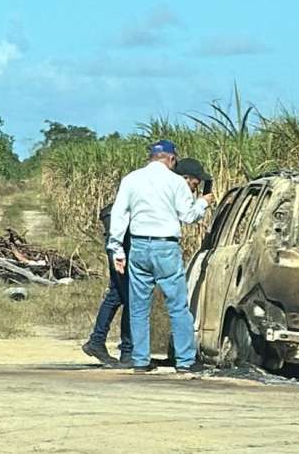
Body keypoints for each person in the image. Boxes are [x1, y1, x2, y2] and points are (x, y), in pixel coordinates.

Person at [107, 140, 214, 373]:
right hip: (165, 246)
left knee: (138, 306)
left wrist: (117, 248)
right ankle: (185, 361)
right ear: (171, 159)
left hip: (138, 245)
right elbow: (187, 216)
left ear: (152, 157)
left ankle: (141, 360)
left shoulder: (131, 179)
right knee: (177, 305)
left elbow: (119, 214)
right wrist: (202, 204)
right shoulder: (176, 182)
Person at [82, 203, 132, 366]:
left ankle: (97, 341)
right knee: (131, 299)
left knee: (116, 295)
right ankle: (127, 351)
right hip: (121, 248)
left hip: (116, 246)